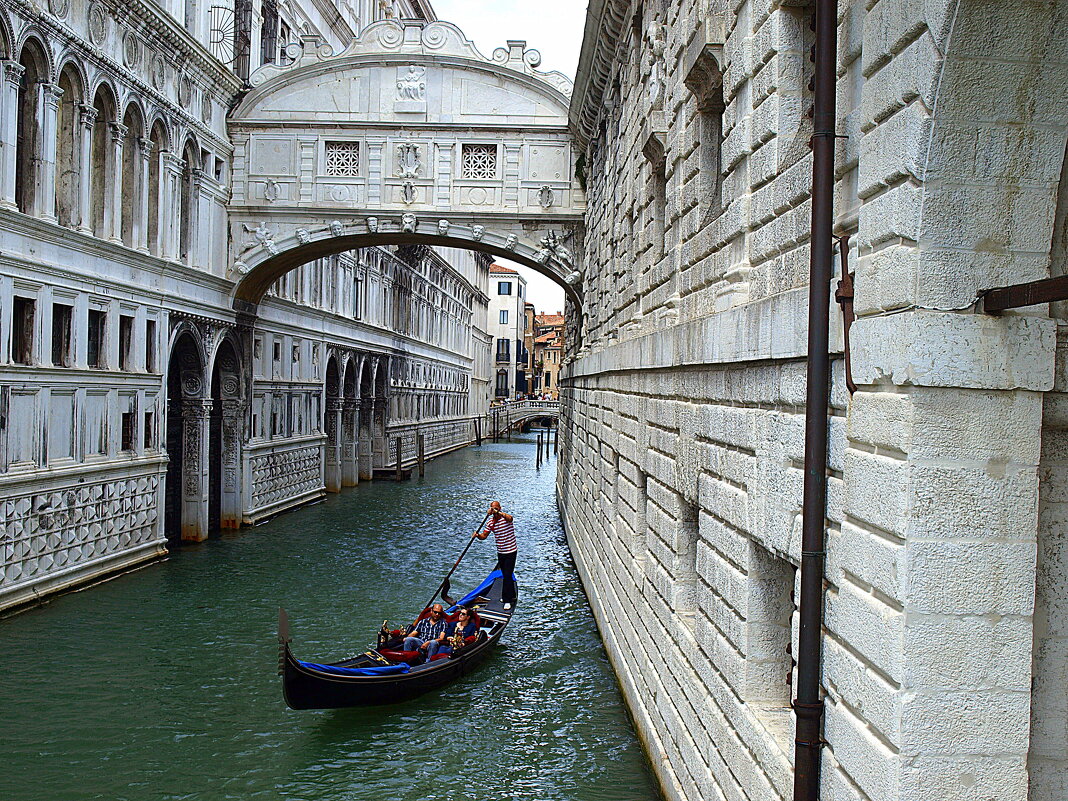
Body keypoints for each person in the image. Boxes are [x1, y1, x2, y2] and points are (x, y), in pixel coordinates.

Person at [473, 501, 518, 610]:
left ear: (500, 508)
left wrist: (498, 512)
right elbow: (484, 536)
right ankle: (511, 595)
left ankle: (507, 600)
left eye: (496, 508)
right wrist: (477, 535)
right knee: (505, 573)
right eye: (492, 509)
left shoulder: (505, 518)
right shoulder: (491, 522)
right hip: (501, 552)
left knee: (507, 575)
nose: (494, 511)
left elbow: (510, 518)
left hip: (511, 551)